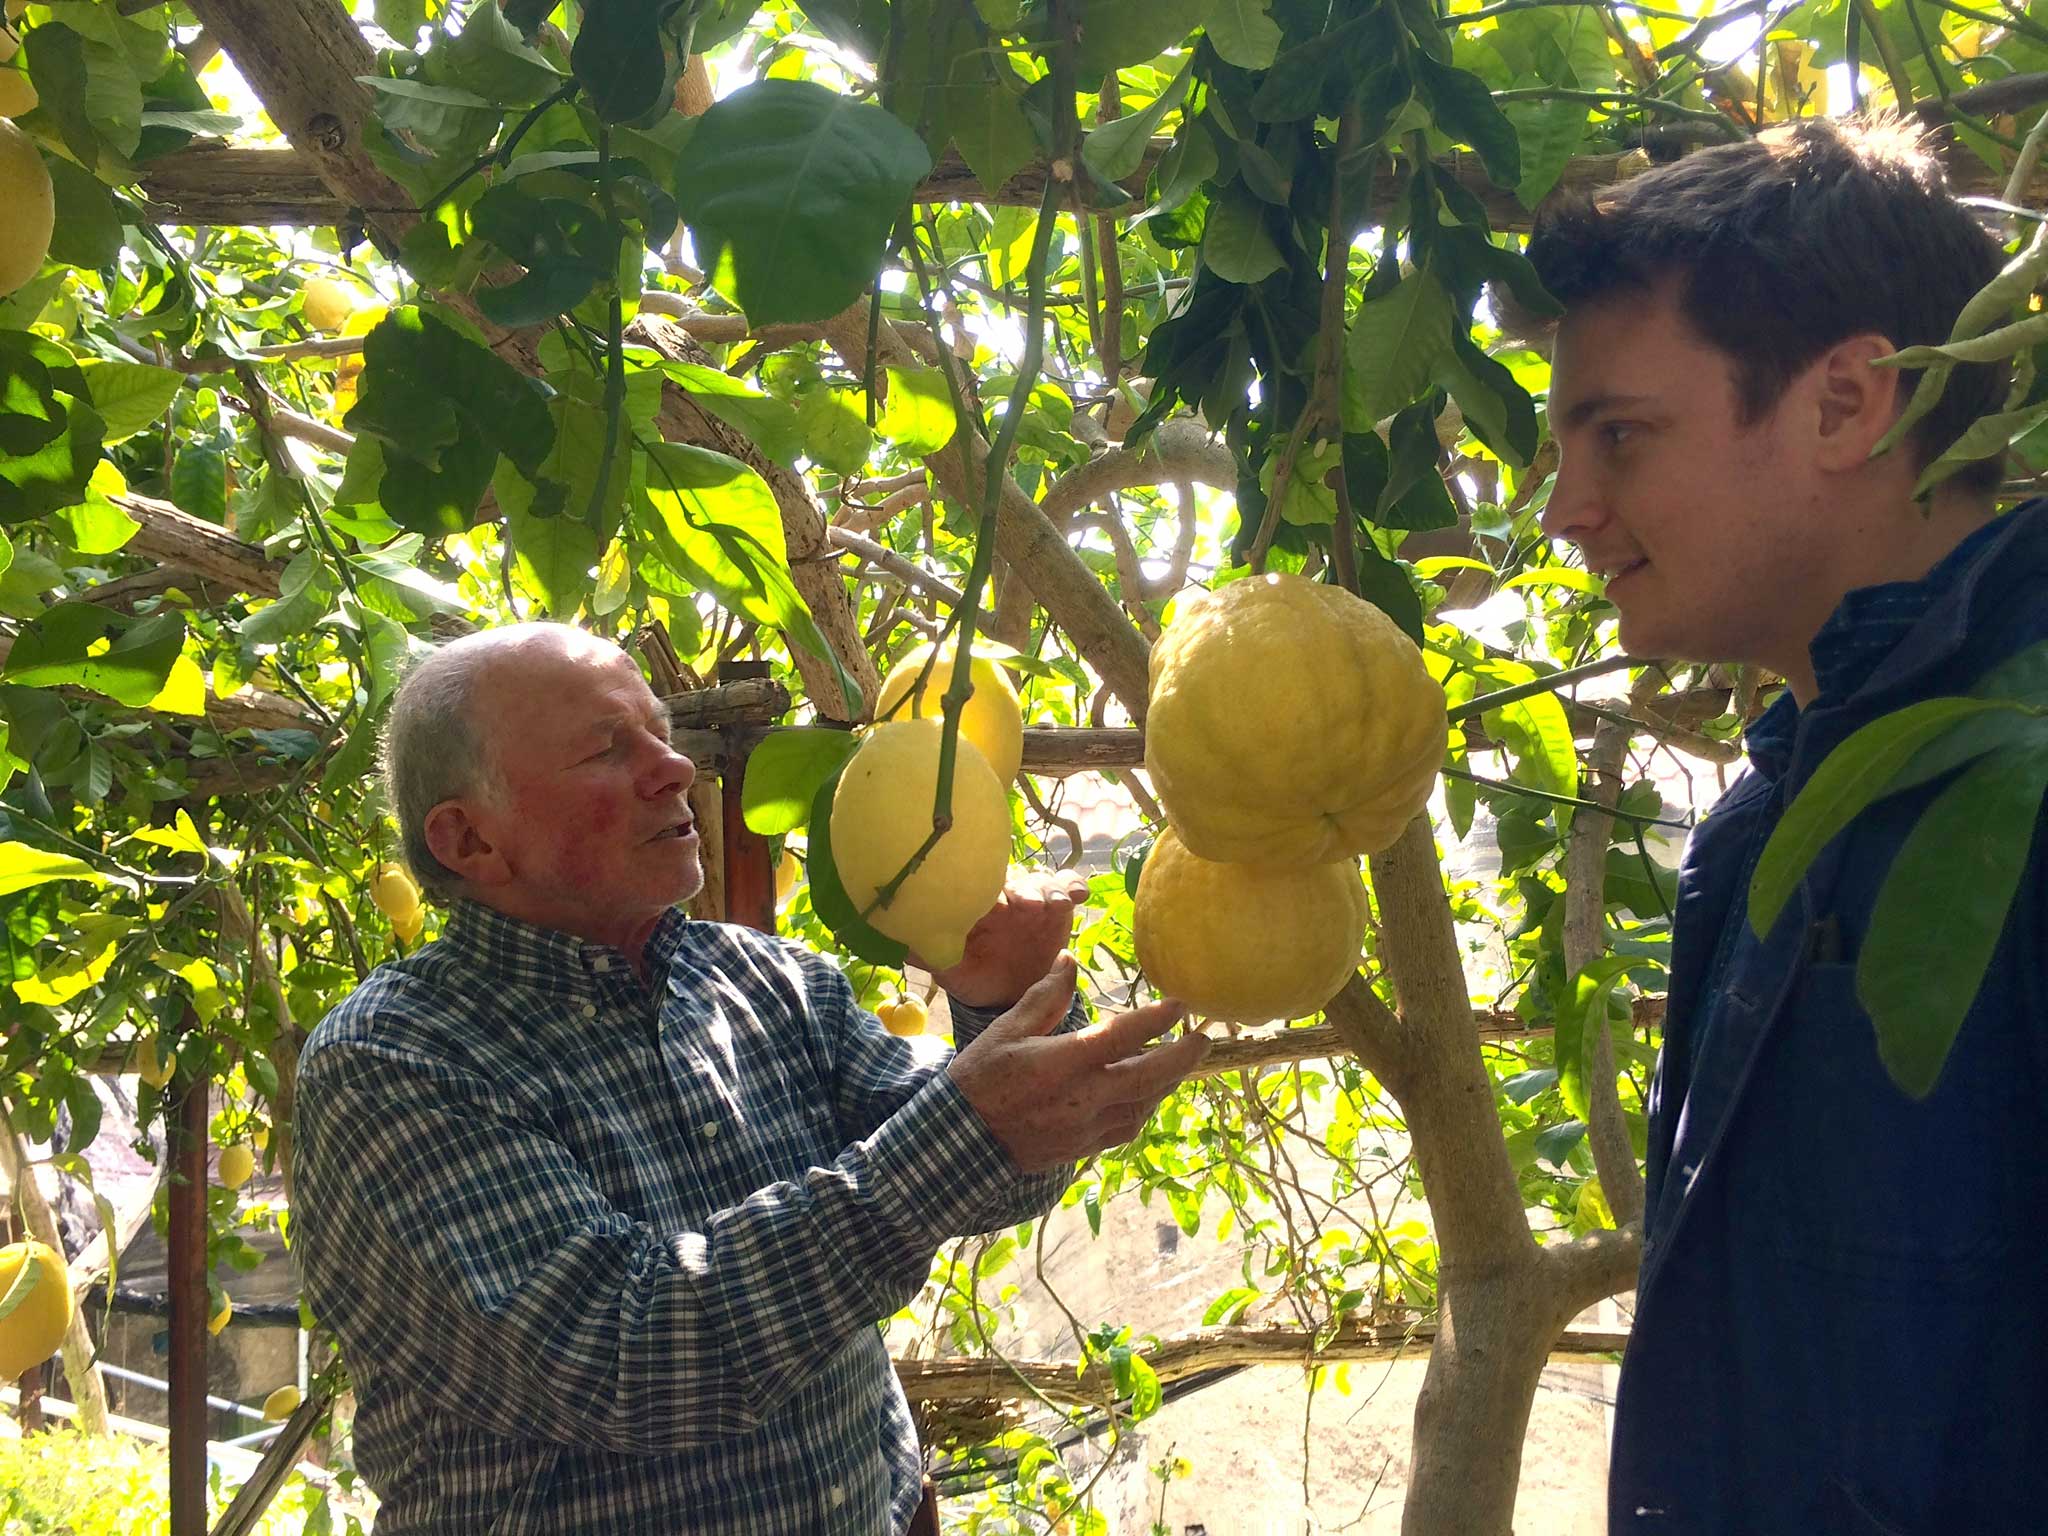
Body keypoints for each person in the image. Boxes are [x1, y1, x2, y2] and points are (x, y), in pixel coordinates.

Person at [290, 623, 1212, 1534]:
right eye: (610, 750)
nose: (675, 768)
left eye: (660, 731)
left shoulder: (766, 979)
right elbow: (622, 1357)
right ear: (469, 840)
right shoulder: (392, 1063)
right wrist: (967, 1131)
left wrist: (997, 1000)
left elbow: (987, 1171)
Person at [1521, 117, 2048, 1533]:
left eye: (1619, 435)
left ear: (1844, 403)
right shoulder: (1763, 823)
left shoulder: (2023, 780)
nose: (1569, 508)